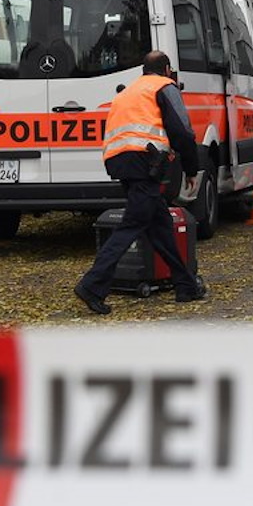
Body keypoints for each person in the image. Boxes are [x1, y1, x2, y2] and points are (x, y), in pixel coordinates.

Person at [74, 50, 207, 314]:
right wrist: (192, 169)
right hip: (145, 162)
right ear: (167, 69)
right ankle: (92, 284)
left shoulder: (129, 91)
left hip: (120, 161)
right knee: (132, 224)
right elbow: (182, 131)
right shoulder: (165, 87)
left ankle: (185, 284)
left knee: (160, 225)